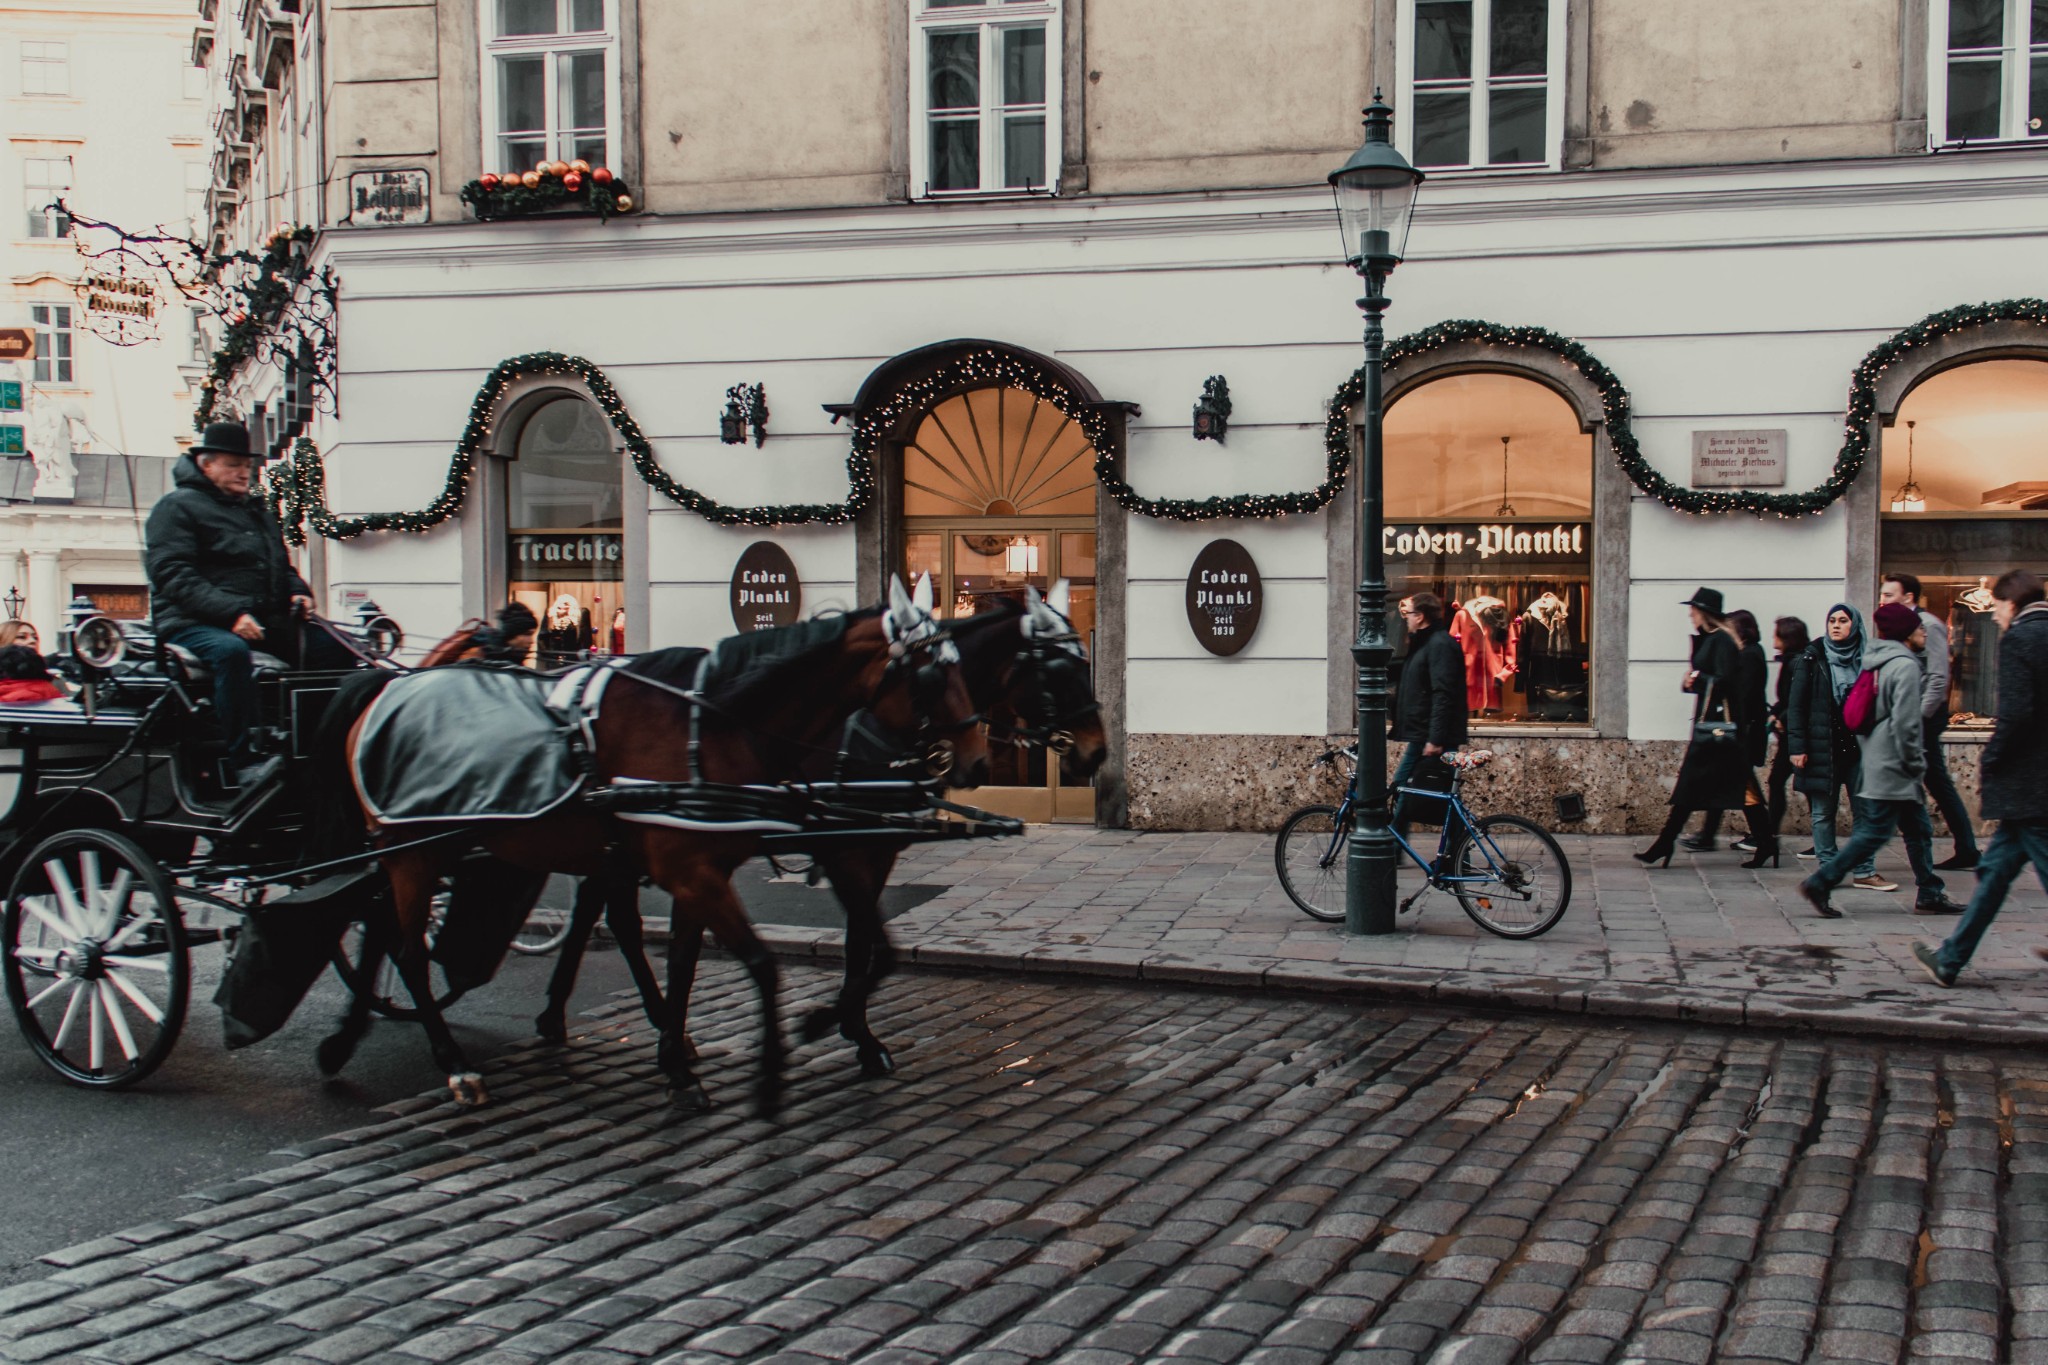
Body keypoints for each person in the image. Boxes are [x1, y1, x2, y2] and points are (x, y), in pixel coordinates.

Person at [144, 420, 317, 792]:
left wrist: (297, 590)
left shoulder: (256, 512)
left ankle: (321, 746)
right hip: (191, 622)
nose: (245, 473)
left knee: (330, 648)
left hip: (258, 618)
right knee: (231, 653)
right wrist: (231, 614)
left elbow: (280, 567)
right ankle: (244, 759)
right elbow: (172, 574)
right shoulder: (176, 508)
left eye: (247, 466)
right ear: (206, 466)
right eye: (234, 465)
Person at [1914, 570, 2048, 986]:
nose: (1993, 617)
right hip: (2034, 788)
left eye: (1996, 607)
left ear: (2011, 603)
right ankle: (1950, 959)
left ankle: (1951, 960)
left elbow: (2016, 713)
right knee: (1993, 873)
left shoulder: (2021, 639)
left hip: (2030, 784)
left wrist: (1991, 760)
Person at [1797, 602, 1965, 918]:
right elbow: (1907, 723)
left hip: (1880, 757)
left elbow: (1864, 714)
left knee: (1917, 830)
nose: (1924, 632)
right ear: (1905, 632)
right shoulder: (1905, 666)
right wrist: (1915, 763)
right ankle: (1821, 881)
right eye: (1918, 628)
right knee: (1875, 833)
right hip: (1895, 765)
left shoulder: (1874, 660)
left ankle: (1929, 891)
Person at [1638, 587, 1763, 866]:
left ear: (1704, 612)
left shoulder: (1722, 641)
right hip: (1713, 731)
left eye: (1693, 610)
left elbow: (1725, 681)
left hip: (1720, 733)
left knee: (1696, 789)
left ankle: (1664, 844)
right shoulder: (1713, 639)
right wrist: (1692, 681)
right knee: (1704, 789)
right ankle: (1665, 844)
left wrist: (1698, 677)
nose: (1690, 614)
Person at [1878, 572, 1980, 871]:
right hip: (1908, 716)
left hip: (1923, 718)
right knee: (1932, 781)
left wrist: (1918, 718)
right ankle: (1965, 847)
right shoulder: (1898, 627)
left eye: (1889, 595)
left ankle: (1965, 847)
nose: (1883, 600)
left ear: (1908, 597)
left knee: (1936, 782)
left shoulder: (1930, 626)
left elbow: (1937, 677)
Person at [1785, 604, 1877, 885]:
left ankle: (1864, 871)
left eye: (1843, 621)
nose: (1836, 626)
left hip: (1859, 749)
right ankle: (1828, 867)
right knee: (1823, 812)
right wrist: (1797, 747)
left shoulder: (1867, 660)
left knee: (1865, 811)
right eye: (1832, 621)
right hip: (1823, 748)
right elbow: (1796, 707)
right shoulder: (1811, 659)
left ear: (1855, 625)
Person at [1687, 608, 1778, 864]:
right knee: (1735, 787)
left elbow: (1741, 696)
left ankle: (1765, 841)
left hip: (1741, 735)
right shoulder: (1746, 653)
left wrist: (1706, 681)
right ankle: (1764, 842)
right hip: (1740, 734)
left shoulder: (1749, 655)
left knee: (1746, 790)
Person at [1388, 592, 1467, 826]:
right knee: (1409, 788)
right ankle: (1396, 847)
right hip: (1423, 733)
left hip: (1432, 736)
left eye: (1409, 614)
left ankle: (1457, 854)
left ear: (1421, 616)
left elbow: (1443, 694)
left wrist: (1435, 739)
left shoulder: (1439, 644)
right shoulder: (1425, 643)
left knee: (1418, 789)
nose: (1407, 619)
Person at [1755, 616, 1810, 850]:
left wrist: (1782, 717)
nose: (1773, 638)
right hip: (1790, 732)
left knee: (1785, 782)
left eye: (1776, 634)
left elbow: (1800, 700)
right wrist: (1776, 713)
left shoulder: (1797, 663)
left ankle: (1769, 835)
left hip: (1796, 734)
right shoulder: (1791, 661)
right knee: (1782, 782)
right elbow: (1787, 699)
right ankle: (1769, 834)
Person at [537, 594, 589, 666]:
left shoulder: (580, 615)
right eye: (561, 605)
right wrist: (549, 655)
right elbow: (542, 638)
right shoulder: (550, 615)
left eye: (566, 605)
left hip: (573, 662)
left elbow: (585, 640)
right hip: (553, 661)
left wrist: (580, 658)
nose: (563, 607)